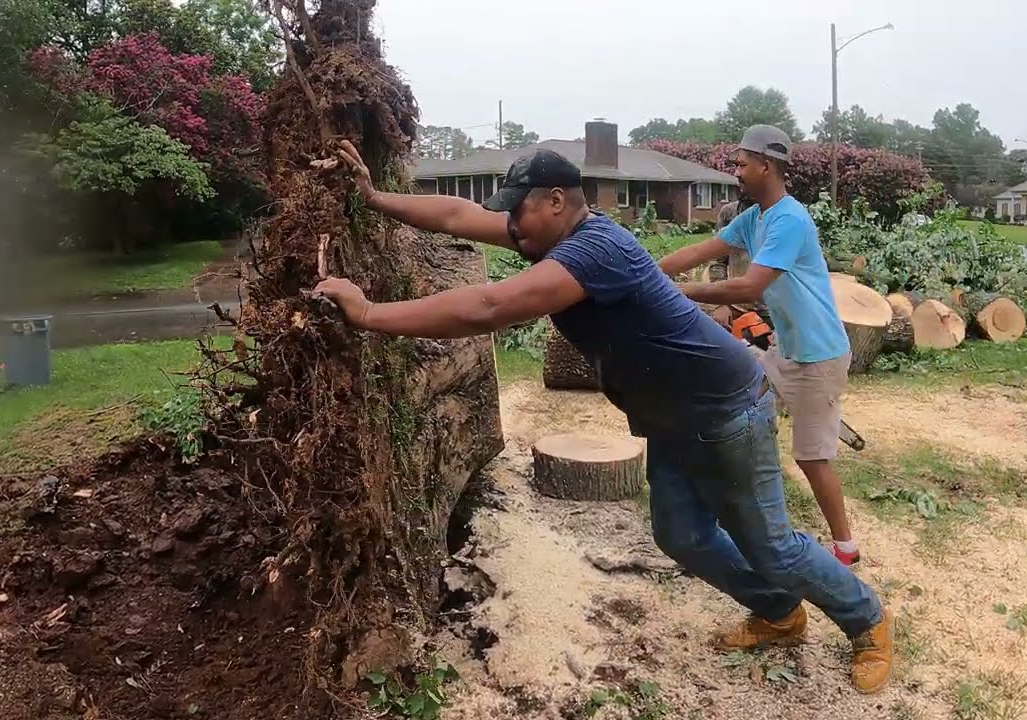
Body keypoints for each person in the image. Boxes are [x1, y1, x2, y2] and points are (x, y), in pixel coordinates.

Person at [314, 140, 892, 693]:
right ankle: (778, 611)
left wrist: (367, 312)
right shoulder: (546, 234)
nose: (511, 225)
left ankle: (867, 620)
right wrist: (374, 198)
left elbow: (491, 306)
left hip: (724, 405)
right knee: (681, 534)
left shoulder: (594, 249)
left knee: (771, 546)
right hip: (668, 411)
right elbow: (457, 216)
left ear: (557, 201)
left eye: (519, 211)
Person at [658, 125, 862, 568]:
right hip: (786, 352)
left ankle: (845, 548)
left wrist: (682, 293)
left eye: (741, 163)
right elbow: (698, 250)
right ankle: (737, 498)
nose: (736, 171)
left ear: (765, 165)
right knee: (739, 386)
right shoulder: (755, 218)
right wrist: (648, 273)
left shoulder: (789, 220)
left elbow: (750, 286)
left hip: (818, 357)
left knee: (812, 458)